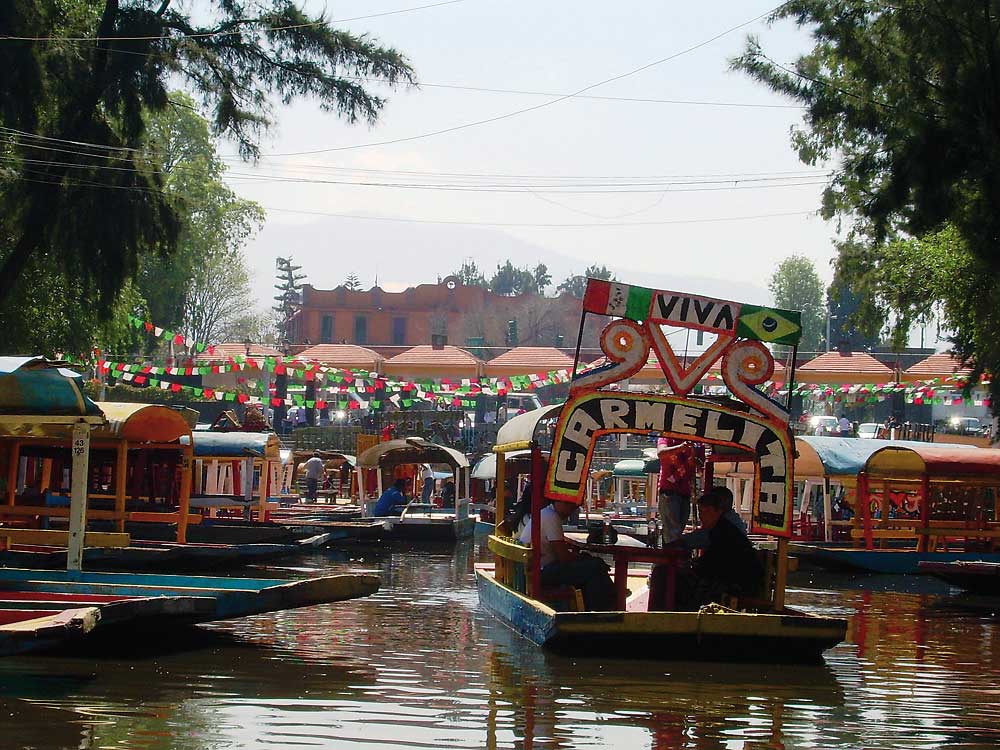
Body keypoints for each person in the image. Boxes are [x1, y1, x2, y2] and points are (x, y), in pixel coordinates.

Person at [519, 499, 616, 611]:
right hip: (541, 572)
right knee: (595, 567)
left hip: (535, 569)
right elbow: (563, 557)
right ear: (560, 502)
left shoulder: (545, 513)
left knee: (593, 565)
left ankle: (604, 602)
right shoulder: (551, 517)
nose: (571, 510)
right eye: (570, 506)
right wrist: (585, 559)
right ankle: (603, 607)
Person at [676, 490, 765, 610]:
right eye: (701, 511)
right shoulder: (719, 528)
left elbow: (716, 561)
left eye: (707, 511)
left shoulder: (724, 531)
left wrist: (694, 565)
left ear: (719, 512)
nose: (703, 516)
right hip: (733, 578)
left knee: (688, 587)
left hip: (741, 583)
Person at [676, 486, 746, 551]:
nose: (701, 516)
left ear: (718, 509)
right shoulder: (732, 520)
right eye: (700, 512)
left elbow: (700, 537)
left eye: (707, 511)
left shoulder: (725, 526)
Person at [657, 439, 697, 545]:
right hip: (669, 491)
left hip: (685, 492)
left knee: (678, 531)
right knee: (672, 532)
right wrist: (681, 447)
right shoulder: (666, 438)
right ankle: (672, 556)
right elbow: (661, 453)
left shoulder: (696, 443)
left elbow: (698, 467)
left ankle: (672, 555)